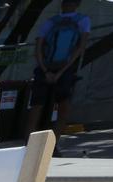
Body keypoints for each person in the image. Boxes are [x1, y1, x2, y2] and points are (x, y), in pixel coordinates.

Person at [27, 0, 91, 148]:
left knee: (36, 106)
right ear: (78, 4)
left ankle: (28, 144)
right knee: (63, 108)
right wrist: (61, 71)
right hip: (65, 69)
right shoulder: (83, 20)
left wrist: (45, 70)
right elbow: (80, 48)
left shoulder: (50, 22)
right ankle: (52, 146)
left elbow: (38, 48)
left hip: (45, 68)